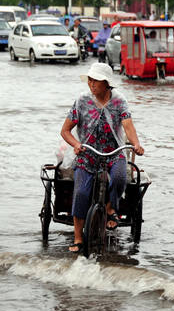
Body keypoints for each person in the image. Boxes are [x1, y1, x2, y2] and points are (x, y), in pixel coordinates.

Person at [61, 63, 144, 253]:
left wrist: (136, 144)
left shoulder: (119, 101)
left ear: (106, 83)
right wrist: (76, 144)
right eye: (89, 80)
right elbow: (65, 131)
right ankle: (78, 237)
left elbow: (128, 125)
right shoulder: (82, 101)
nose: (91, 84)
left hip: (113, 153)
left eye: (95, 81)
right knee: (81, 193)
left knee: (120, 177)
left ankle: (109, 206)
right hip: (87, 153)